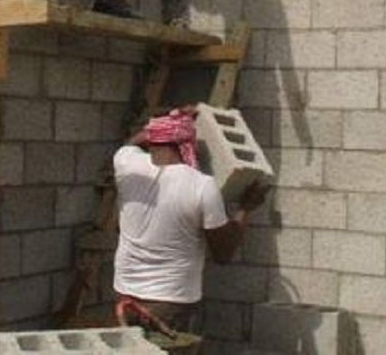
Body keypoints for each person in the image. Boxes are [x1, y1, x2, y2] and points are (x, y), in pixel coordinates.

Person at [112, 108, 269, 335]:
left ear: (153, 139)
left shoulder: (126, 165)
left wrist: (168, 120)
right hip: (171, 304)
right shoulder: (201, 185)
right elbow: (223, 253)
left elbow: (132, 143)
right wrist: (246, 208)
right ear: (188, 144)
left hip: (125, 299)